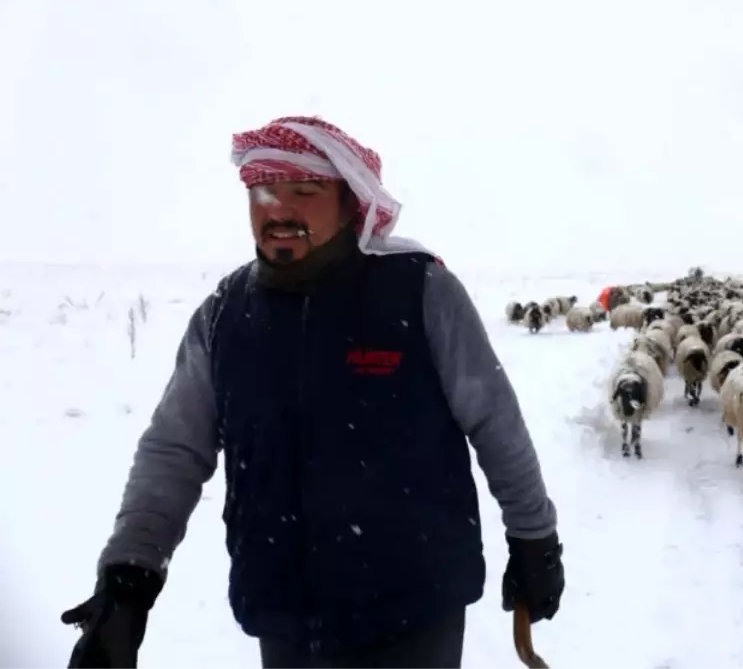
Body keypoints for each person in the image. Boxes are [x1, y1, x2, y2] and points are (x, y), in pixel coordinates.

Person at [60, 116, 565, 669]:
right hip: (284, 616)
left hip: (415, 611)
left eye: (304, 191)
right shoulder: (225, 314)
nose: (278, 208)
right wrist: (130, 576)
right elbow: (175, 450)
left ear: (350, 202)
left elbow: (494, 422)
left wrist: (533, 536)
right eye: (262, 192)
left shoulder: (420, 293)